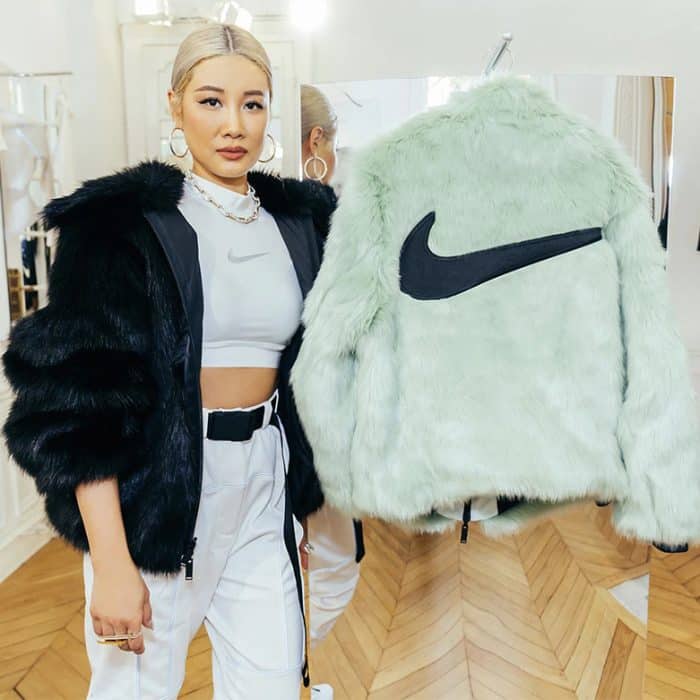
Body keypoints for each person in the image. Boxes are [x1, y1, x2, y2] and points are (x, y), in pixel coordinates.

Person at [2, 23, 335, 699]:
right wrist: (112, 562)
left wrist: (301, 500)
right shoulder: (121, 224)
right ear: (175, 105)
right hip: (157, 494)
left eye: (252, 103)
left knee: (273, 682)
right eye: (211, 101)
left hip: (262, 481)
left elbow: (315, 369)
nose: (234, 124)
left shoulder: (299, 223)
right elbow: (81, 407)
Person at [298, 84, 365, 649]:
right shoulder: (323, 223)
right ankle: (291, 668)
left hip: (287, 424)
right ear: (316, 141)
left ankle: (290, 670)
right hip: (314, 425)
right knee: (337, 566)